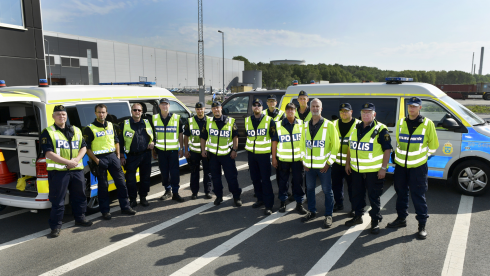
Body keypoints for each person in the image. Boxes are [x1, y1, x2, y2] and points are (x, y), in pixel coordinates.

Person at [387, 97, 439, 240]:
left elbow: (433, 146)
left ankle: (422, 225)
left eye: (415, 106)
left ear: (420, 108)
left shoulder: (428, 124)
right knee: (401, 193)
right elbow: (399, 142)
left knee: (418, 195)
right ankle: (401, 219)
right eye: (410, 106)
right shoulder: (401, 122)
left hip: (418, 167)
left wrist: (423, 157)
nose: (411, 108)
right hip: (401, 167)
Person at [41, 105, 92, 238]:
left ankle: (80, 218)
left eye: (63, 114)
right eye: (58, 114)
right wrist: (67, 162)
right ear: (53, 116)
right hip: (59, 172)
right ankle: (56, 227)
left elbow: (83, 147)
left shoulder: (75, 130)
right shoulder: (48, 132)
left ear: (66, 116)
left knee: (80, 196)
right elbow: (48, 153)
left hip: (77, 170)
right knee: (58, 200)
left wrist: (76, 160)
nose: (61, 116)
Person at [345, 103, 392, 234]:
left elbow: (387, 149)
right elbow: (351, 146)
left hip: (373, 171)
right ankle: (357, 216)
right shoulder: (356, 127)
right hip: (356, 170)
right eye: (363, 112)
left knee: (374, 197)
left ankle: (375, 222)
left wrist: (383, 168)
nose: (365, 115)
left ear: (374, 114)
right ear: (360, 114)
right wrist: (347, 163)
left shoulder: (381, 129)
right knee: (357, 194)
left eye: (369, 112)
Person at [84, 104, 136, 220]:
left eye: (103, 112)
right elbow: (87, 148)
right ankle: (105, 211)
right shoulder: (90, 128)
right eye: (99, 112)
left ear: (106, 113)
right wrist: (97, 161)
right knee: (103, 187)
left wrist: (117, 155)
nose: (101, 114)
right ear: (95, 113)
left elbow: (116, 141)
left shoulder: (111, 125)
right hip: (100, 159)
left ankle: (125, 207)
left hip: (112, 156)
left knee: (121, 183)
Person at [301, 99, 340, 228]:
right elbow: (301, 145)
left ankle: (329, 214)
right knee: (310, 189)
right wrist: (303, 161)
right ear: (310, 108)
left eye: (317, 106)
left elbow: (335, 146)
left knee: (327, 190)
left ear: (321, 109)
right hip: (309, 167)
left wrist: (329, 163)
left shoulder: (329, 125)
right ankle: (312, 211)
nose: (315, 108)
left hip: (324, 166)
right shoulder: (305, 125)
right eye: (313, 106)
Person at [200, 101, 242, 207]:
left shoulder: (230, 121)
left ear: (221, 108)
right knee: (216, 178)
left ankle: (236, 197)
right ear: (212, 110)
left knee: (231, 177)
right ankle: (219, 197)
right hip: (213, 155)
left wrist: (234, 150)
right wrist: (203, 149)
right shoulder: (208, 122)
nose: (216, 110)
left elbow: (235, 137)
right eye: (213, 108)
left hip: (227, 155)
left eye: (217, 108)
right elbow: (203, 137)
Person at [271, 103, 308, 215]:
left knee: (298, 182)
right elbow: (274, 143)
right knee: (283, 182)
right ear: (286, 111)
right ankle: (283, 202)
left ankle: (299, 204)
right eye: (288, 110)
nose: (290, 111)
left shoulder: (302, 124)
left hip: (298, 160)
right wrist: (274, 158)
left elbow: (306, 142)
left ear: (295, 111)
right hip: (283, 159)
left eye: (292, 110)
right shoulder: (278, 125)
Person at [119, 103, 154, 208]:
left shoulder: (147, 122)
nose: (137, 112)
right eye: (135, 110)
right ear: (131, 111)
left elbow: (154, 135)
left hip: (146, 155)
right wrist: (121, 155)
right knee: (130, 180)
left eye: (139, 110)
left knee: (145, 178)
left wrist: (153, 143)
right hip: (131, 156)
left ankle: (143, 197)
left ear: (142, 112)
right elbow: (120, 141)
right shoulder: (125, 124)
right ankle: (133, 199)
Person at [246, 98, 276, 215]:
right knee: (255, 178)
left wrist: (273, 157)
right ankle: (260, 199)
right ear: (252, 108)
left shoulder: (269, 120)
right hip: (251, 155)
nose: (256, 107)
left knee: (266, 180)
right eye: (254, 105)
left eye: (259, 105)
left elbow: (274, 139)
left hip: (263, 155)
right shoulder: (248, 120)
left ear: (262, 108)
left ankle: (269, 205)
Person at [152, 98, 186, 202]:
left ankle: (175, 192)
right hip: (161, 151)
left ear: (169, 106)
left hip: (173, 151)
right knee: (164, 172)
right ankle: (167, 191)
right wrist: (153, 150)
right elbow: (153, 136)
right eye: (162, 104)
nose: (164, 106)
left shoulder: (176, 118)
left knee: (174, 172)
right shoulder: (154, 118)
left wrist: (181, 148)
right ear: (159, 106)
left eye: (166, 104)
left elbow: (181, 134)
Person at [332, 103, 360, 217]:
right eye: (342, 111)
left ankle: (354, 208)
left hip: (352, 163)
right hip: (336, 162)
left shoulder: (358, 124)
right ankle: (339, 203)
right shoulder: (333, 124)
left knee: (353, 187)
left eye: (346, 111)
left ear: (351, 112)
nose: (344, 113)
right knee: (336, 186)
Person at [183, 102, 213, 200]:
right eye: (198, 109)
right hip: (194, 151)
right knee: (194, 172)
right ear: (195, 110)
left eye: (201, 109)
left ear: (204, 109)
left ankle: (208, 191)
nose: (199, 111)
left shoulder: (210, 120)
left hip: (207, 151)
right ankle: (194, 192)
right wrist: (186, 150)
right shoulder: (190, 121)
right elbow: (186, 136)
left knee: (207, 172)